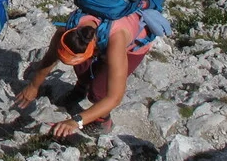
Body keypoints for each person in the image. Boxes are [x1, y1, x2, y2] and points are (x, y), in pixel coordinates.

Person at [12, 10, 153, 137]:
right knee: (82, 69)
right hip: (102, 42)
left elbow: (114, 97)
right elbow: (50, 57)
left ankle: (103, 122)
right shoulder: (68, 29)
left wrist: (76, 121)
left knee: (98, 92)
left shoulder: (117, 39)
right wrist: (34, 85)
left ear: (93, 50)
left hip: (132, 47)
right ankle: (81, 89)